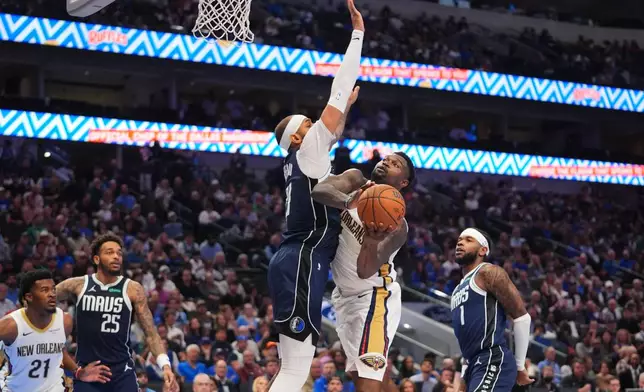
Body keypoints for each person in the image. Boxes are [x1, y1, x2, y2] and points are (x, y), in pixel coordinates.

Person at [266, 0, 365, 391]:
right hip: (303, 260)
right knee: (295, 370)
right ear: (295, 136)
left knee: (291, 367)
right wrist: (357, 35)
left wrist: (344, 113)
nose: (317, 124)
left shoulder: (303, 160)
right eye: (309, 123)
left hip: (295, 260)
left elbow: (334, 129)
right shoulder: (304, 151)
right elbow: (337, 92)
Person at [310, 152, 414, 392]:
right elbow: (319, 191)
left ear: (403, 183)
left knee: (368, 383)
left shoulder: (397, 226)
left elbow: (366, 270)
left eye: (395, 164)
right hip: (345, 297)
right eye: (386, 158)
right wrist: (349, 201)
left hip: (374, 298)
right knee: (367, 377)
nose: (387, 161)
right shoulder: (356, 180)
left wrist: (369, 239)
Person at [56, 233, 179, 392]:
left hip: (122, 371)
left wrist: (166, 366)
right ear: (96, 259)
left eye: (119, 253)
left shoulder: (132, 289)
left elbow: (151, 333)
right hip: (88, 370)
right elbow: (40, 300)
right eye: (109, 252)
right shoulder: (78, 285)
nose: (116, 257)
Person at [450, 228, 533, 392]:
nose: (460, 243)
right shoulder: (456, 290)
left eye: (468, 240)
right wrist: (464, 377)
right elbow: (467, 339)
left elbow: (522, 317)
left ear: (483, 250)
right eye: (459, 240)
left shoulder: (488, 272)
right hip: (473, 366)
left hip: (492, 358)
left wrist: (519, 366)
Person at [0, 269, 110, 392]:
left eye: (53, 289)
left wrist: (78, 371)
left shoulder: (65, 321)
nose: (52, 294)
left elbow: (58, 352)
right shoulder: (10, 325)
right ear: (29, 297)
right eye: (44, 290)